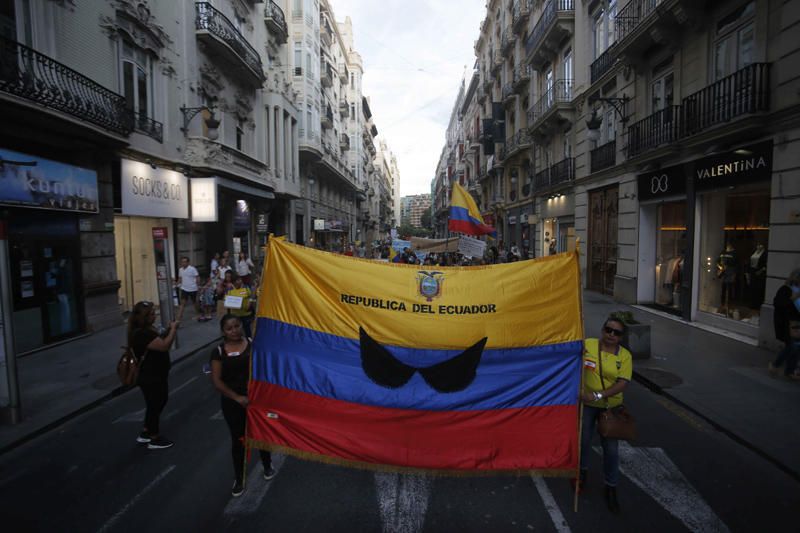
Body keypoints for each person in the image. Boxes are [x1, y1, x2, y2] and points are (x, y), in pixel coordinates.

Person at [211, 314, 275, 497]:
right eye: (229, 328)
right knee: (238, 439)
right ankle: (239, 478)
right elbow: (217, 381)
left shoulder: (252, 344)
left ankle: (267, 464)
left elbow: (264, 368)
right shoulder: (218, 352)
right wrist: (237, 398)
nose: (234, 330)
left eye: (237, 326)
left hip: (256, 399)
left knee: (261, 434)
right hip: (233, 402)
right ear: (223, 332)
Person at [575, 316, 633, 514]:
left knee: (611, 450)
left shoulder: (624, 356)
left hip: (610, 408)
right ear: (603, 329)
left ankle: (611, 487)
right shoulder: (588, 345)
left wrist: (598, 395)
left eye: (616, 333)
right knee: (583, 441)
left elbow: (622, 383)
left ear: (621, 337)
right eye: (608, 330)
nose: (611, 335)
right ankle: (581, 474)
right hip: (587, 405)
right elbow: (571, 360)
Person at [128, 301, 179, 450]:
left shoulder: (146, 330)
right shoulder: (142, 333)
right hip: (151, 375)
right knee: (157, 402)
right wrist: (174, 330)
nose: (154, 315)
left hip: (155, 374)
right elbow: (164, 346)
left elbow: (158, 340)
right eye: (150, 314)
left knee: (154, 403)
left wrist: (168, 329)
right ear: (142, 317)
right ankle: (154, 437)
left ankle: (146, 431)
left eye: (153, 312)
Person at [769, 268, 800, 378]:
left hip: (796, 322)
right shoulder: (786, 289)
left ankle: (790, 371)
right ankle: (776, 365)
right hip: (788, 323)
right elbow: (778, 303)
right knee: (792, 346)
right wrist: (792, 298)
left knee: (796, 346)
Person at [225, 273, 255, 338]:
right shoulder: (229, 289)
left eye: (240, 279)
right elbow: (226, 299)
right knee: (237, 330)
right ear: (233, 282)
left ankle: (249, 341)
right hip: (235, 315)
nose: (240, 281)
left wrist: (250, 302)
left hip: (246, 314)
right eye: (238, 280)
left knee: (247, 330)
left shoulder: (246, 287)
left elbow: (251, 296)